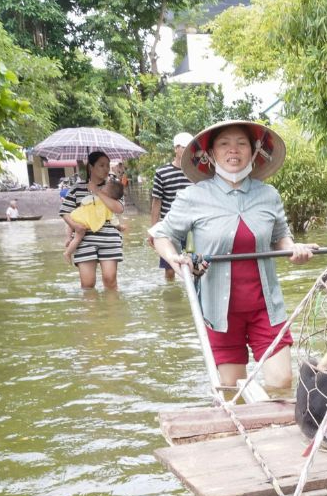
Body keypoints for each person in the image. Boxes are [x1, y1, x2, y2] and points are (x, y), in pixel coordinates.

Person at [151, 120, 313, 394]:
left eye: (241, 143)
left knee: (282, 382)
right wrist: (176, 261)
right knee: (231, 389)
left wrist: (294, 249)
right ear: (211, 154)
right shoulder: (193, 196)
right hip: (218, 312)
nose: (233, 150)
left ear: (253, 151)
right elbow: (161, 236)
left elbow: (281, 236)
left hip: (266, 308)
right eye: (224, 144)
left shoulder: (268, 194)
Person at [59, 151, 126, 290]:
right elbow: (65, 212)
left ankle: (112, 311)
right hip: (84, 239)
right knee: (87, 284)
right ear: (91, 167)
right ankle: (92, 312)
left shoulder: (113, 187)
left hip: (109, 239)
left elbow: (119, 208)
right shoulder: (77, 188)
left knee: (110, 280)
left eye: (107, 165)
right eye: (101, 165)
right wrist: (75, 226)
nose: (106, 169)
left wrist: (97, 192)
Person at [148, 131, 191, 283]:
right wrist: (153, 231)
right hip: (169, 226)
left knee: (198, 266)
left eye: (189, 148)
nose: (186, 151)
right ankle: (171, 296)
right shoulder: (162, 172)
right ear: (176, 149)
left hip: (193, 226)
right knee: (170, 270)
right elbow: (156, 203)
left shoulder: (196, 173)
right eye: (183, 147)